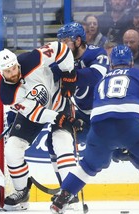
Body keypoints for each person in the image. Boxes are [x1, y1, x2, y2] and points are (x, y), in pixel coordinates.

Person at [50, 45, 139, 214]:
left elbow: (104, 110)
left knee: (87, 166)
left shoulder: (102, 81)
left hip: (99, 127)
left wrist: (114, 146)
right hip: (131, 123)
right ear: (131, 63)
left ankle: (62, 198)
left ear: (111, 64)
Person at [0, 44, 84, 210]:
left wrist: (69, 74)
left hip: (59, 97)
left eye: (14, 68)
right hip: (36, 110)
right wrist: (61, 118)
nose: (13, 73)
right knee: (12, 149)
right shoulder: (7, 94)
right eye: (8, 72)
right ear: (1, 72)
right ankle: (22, 192)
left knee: (62, 142)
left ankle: (69, 193)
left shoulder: (31, 59)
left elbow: (61, 49)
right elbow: (36, 114)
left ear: (17, 63)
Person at [56, 22, 109, 165]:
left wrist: (68, 76)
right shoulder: (62, 60)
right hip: (81, 115)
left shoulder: (97, 53)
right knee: (55, 139)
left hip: (103, 115)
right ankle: (65, 178)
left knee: (109, 158)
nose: (62, 46)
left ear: (78, 40)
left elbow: (95, 76)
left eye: (65, 41)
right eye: (60, 42)